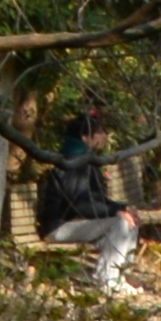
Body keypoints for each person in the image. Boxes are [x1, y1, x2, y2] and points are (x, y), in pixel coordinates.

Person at [38, 107, 143, 298]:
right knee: (120, 222)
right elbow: (79, 204)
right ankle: (107, 282)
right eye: (100, 132)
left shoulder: (85, 160)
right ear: (86, 137)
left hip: (75, 223)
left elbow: (94, 199)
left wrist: (121, 208)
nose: (105, 137)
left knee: (130, 220)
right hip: (59, 227)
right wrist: (116, 212)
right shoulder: (73, 162)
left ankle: (119, 278)